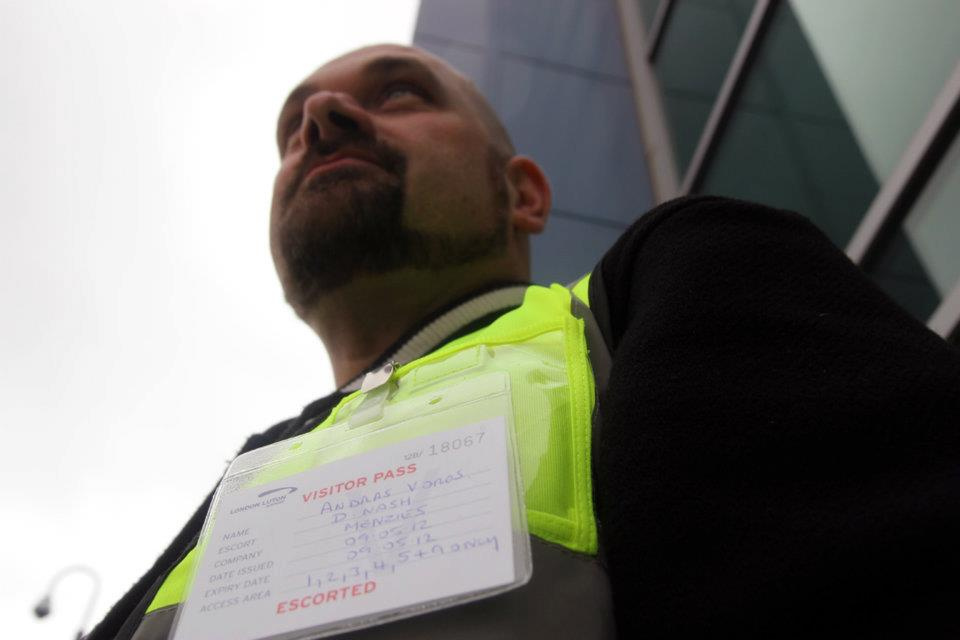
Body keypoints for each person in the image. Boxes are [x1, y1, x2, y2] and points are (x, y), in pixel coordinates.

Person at [89, 44, 960, 640]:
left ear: (525, 196)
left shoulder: (659, 286)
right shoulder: (248, 473)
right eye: (291, 132)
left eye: (399, 94)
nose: (318, 115)